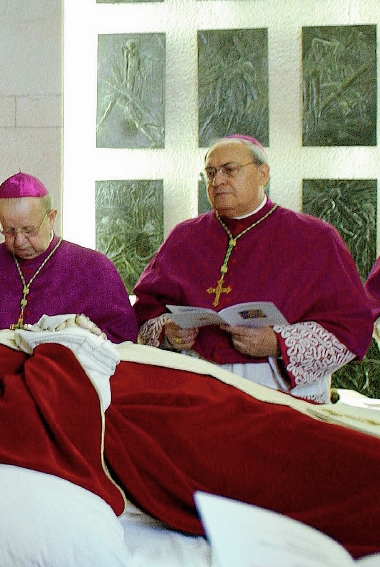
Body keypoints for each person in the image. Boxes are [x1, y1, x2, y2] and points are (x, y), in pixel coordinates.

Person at [0, 315, 380, 558]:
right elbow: (3, 431)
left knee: (295, 425)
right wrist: (58, 350)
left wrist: (47, 340)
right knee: (304, 460)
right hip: (137, 426)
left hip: (131, 387)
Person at [133, 135, 373, 402]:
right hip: (194, 387)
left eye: (230, 170)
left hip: (277, 393)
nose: (217, 181)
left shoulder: (316, 238)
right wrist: (168, 333)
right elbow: (145, 311)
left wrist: (278, 343)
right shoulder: (184, 237)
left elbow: (350, 326)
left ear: (263, 174)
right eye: (210, 173)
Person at [0, 172, 137, 340]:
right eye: (8, 230)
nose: (18, 241)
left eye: (28, 230)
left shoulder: (95, 268)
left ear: (51, 218)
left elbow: (121, 343)